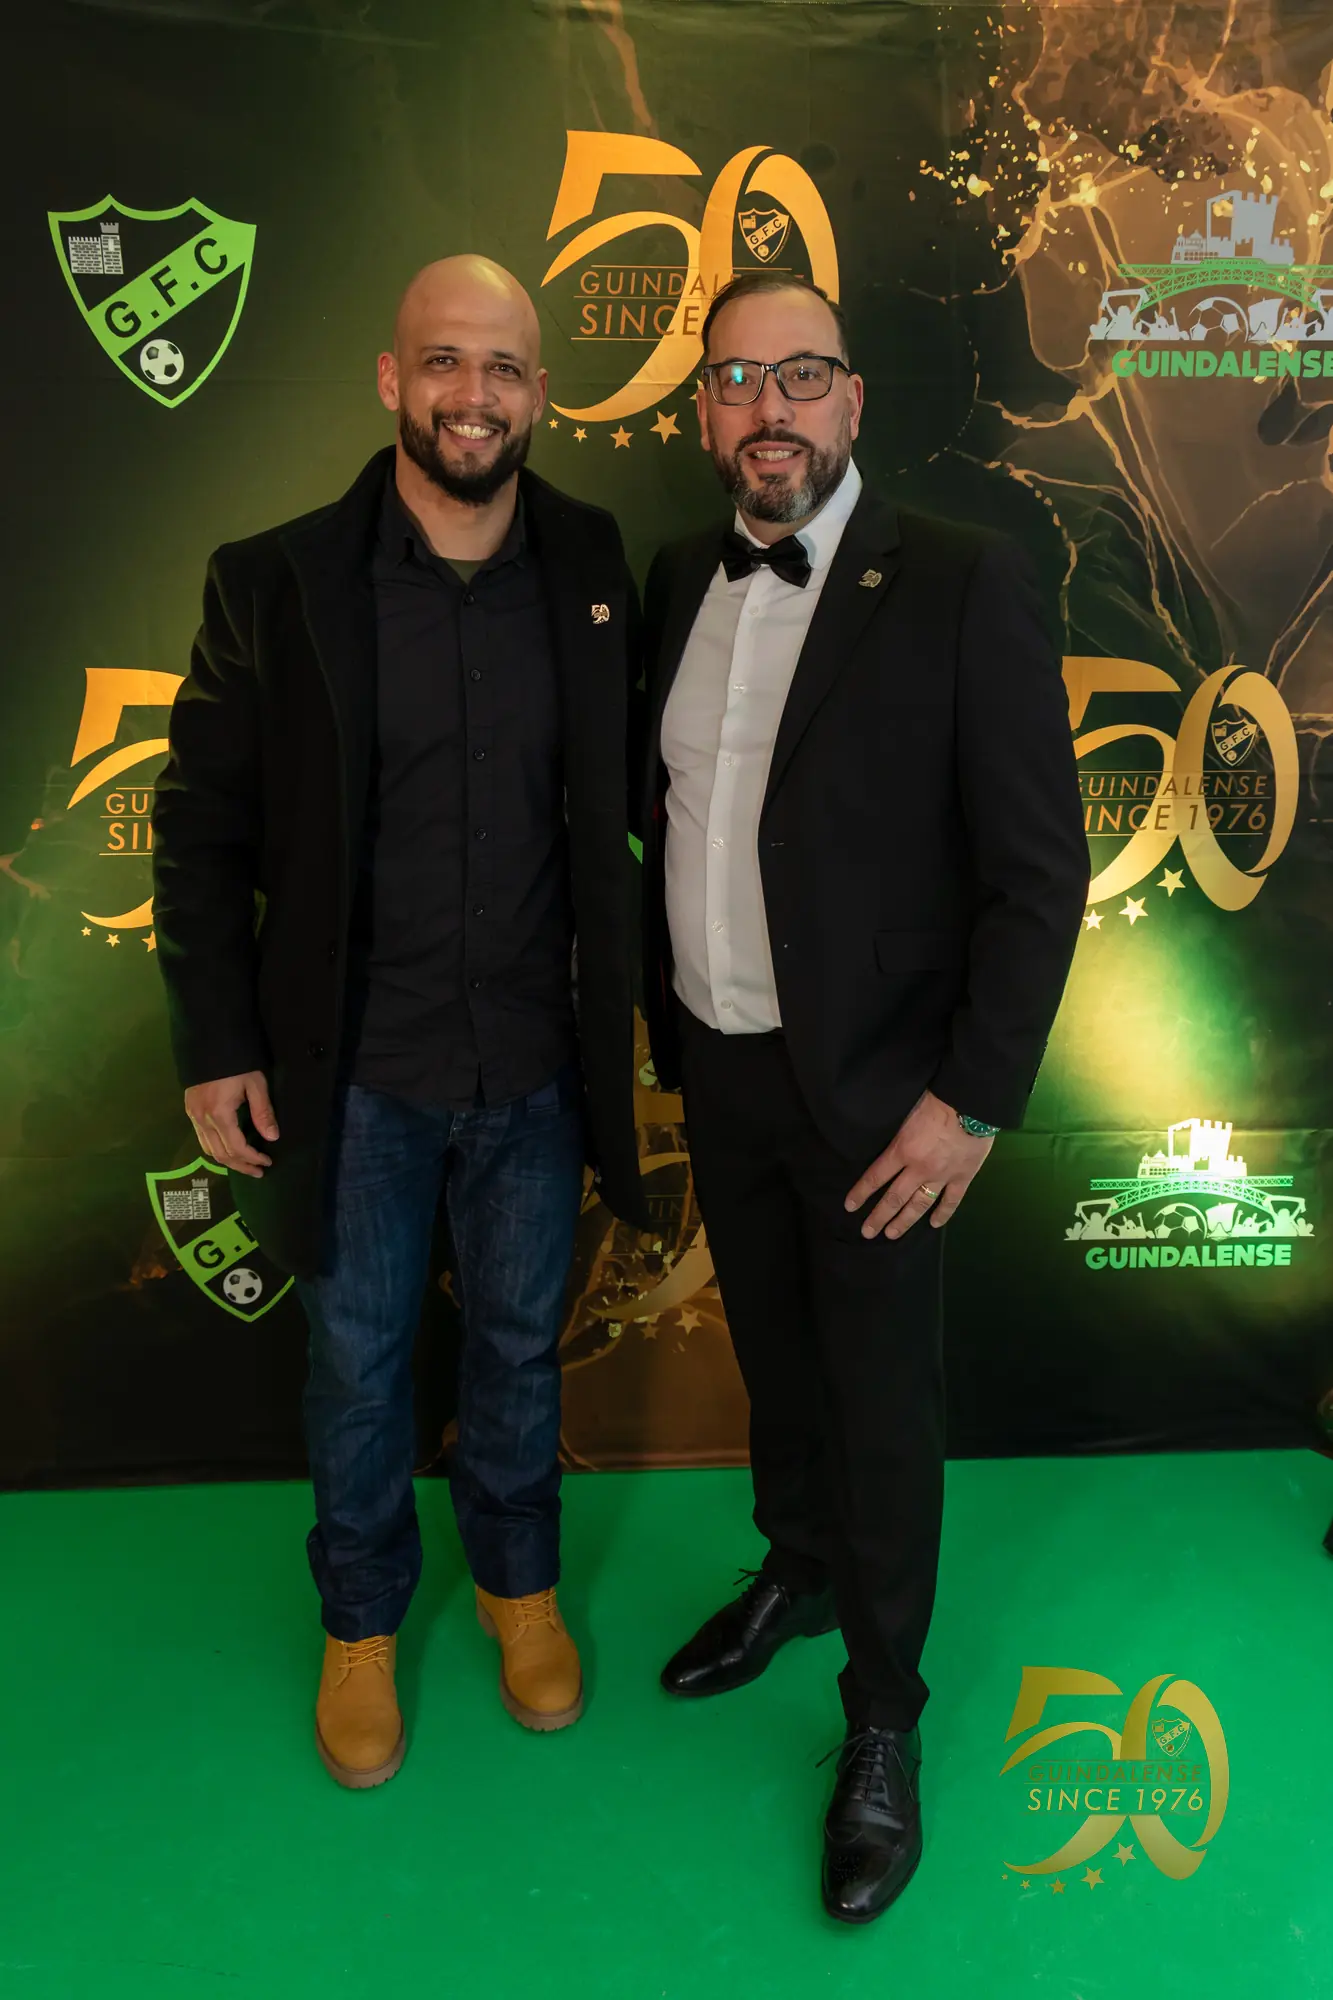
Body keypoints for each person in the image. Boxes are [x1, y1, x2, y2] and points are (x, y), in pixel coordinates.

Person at [152, 255, 648, 1789]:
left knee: (517, 1349)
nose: (471, 396)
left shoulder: (593, 560)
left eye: (501, 367)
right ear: (391, 379)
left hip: (536, 1062)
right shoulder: (276, 578)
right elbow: (200, 827)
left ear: (540, 392)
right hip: (355, 1069)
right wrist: (216, 1041)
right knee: (360, 1364)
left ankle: (518, 1587)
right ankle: (360, 1621)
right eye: (443, 361)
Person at [639, 270, 1088, 1921]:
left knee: (884, 1411)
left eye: (801, 375)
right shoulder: (676, 576)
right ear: (703, 411)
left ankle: (883, 1716)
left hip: (888, 1095)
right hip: (721, 1065)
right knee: (775, 1362)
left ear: (853, 401)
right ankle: (801, 1568)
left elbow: (1039, 872)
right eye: (736, 379)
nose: (769, 409)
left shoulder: (963, 581)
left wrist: (968, 1103)